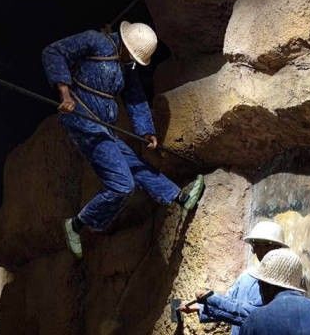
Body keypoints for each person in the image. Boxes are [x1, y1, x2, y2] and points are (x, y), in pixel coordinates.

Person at [42, 21, 205, 258]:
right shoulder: (95, 41)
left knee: (135, 164)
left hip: (104, 126)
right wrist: (65, 94)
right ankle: (77, 224)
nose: (133, 61)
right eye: (132, 56)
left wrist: (146, 130)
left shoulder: (126, 65)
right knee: (122, 184)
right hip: (81, 119)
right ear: (126, 45)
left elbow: (135, 96)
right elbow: (53, 52)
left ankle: (180, 197)